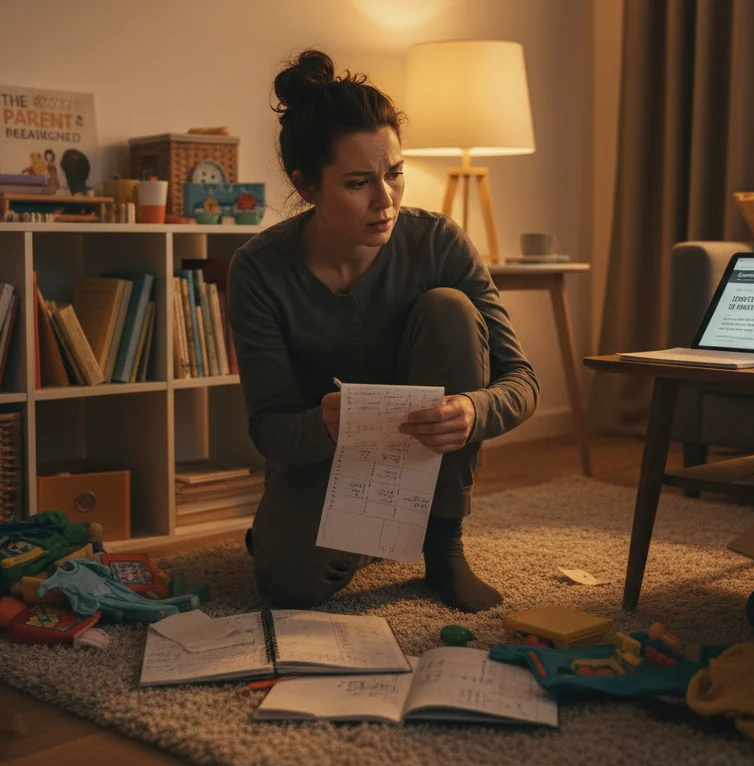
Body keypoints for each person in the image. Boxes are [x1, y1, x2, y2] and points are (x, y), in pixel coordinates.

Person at [228, 49, 539, 614]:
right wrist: (324, 424)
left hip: (425, 452)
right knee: (291, 586)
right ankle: (357, 532)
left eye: (395, 174)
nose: (386, 200)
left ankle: (441, 544)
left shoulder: (438, 242)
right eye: (358, 183)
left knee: (449, 308)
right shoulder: (259, 269)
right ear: (307, 186)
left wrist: (472, 410)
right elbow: (267, 427)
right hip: (323, 455)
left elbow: (522, 381)